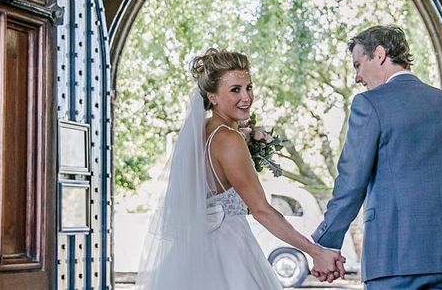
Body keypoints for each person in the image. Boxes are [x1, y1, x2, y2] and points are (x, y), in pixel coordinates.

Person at [136, 47, 344, 289]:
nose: (246, 97)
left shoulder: (200, 133)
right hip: (229, 255)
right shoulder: (228, 140)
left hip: (194, 255)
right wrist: (315, 251)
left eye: (249, 87)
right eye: (235, 90)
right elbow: (262, 210)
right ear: (212, 97)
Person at [312, 25, 442, 290]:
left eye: (358, 65)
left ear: (379, 55)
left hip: (394, 258)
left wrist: (325, 243)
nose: (357, 77)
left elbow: (351, 182)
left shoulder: (369, 104)